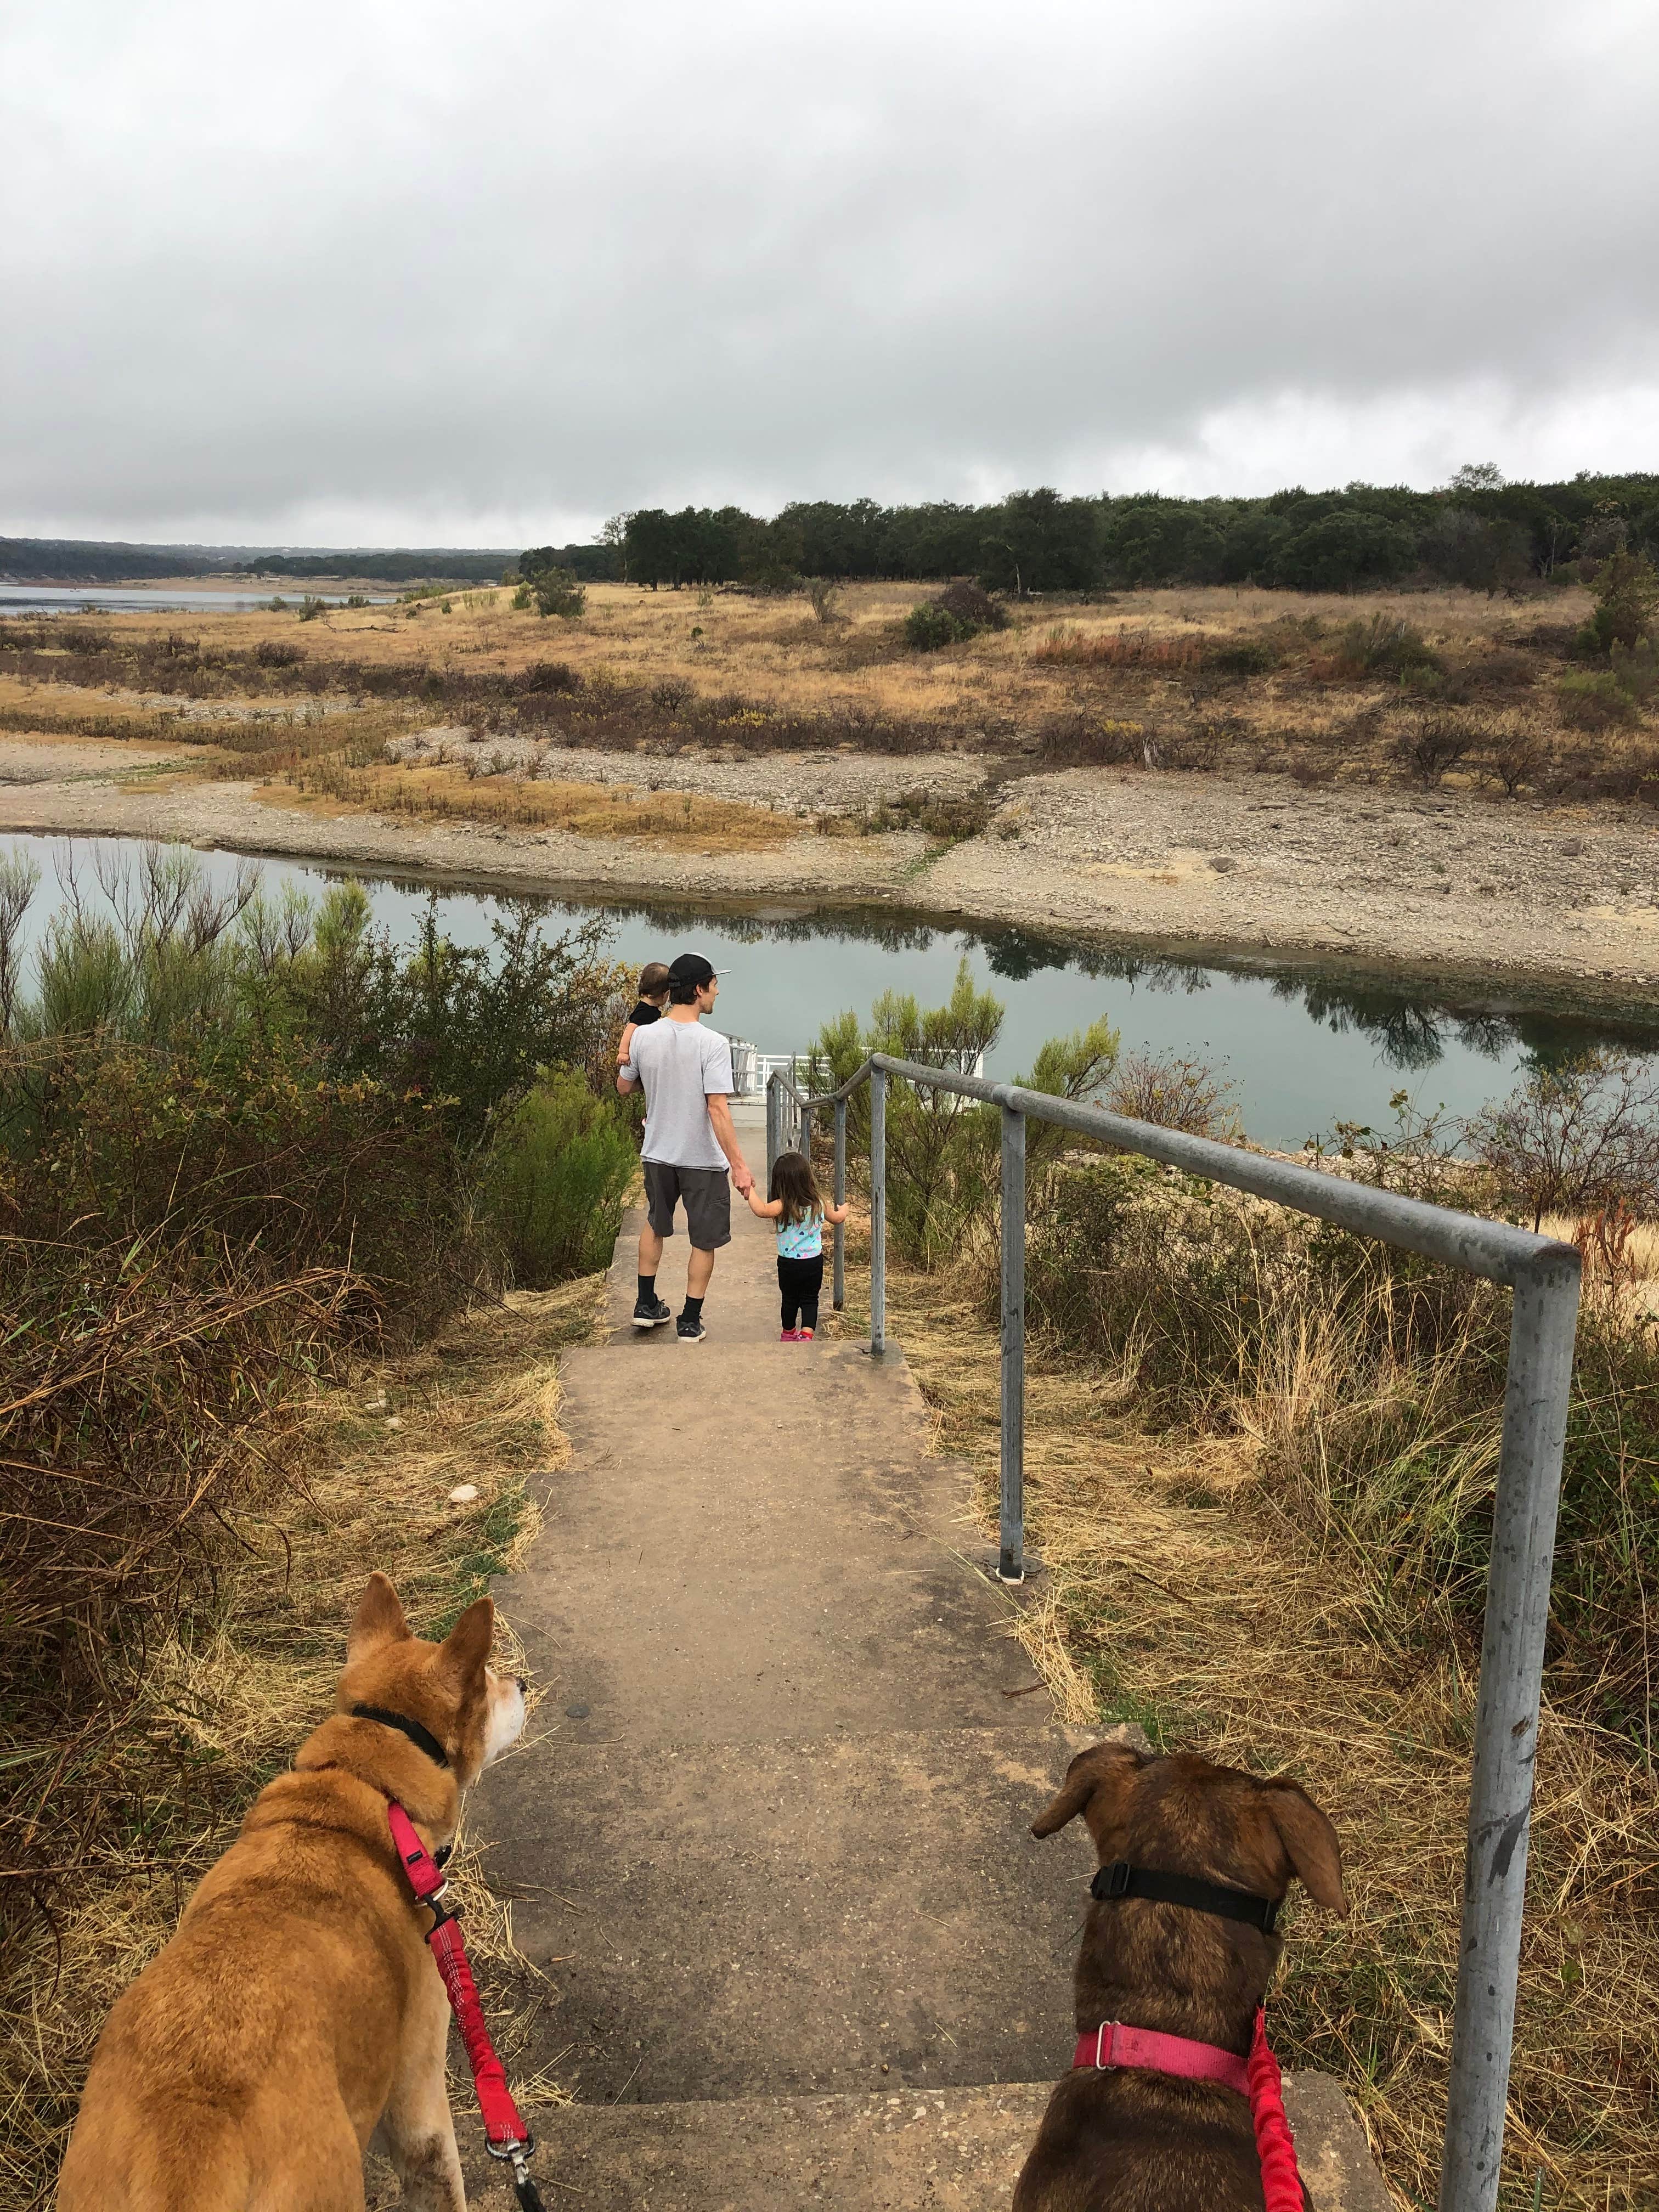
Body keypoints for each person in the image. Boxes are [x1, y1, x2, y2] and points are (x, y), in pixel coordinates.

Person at [617, 951, 754, 1342]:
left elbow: (624, 1086)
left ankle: (646, 1305)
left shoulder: (643, 1036)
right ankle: (690, 1321)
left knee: (655, 1224)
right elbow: (717, 1108)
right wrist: (739, 1166)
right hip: (702, 1159)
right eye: (714, 985)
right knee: (704, 1240)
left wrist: (656, 1079)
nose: (717, 992)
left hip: (658, 1152)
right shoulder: (712, 1044)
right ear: (698, 990)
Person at [744, 1148, 848, 1341]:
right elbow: (837, 1218)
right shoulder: (818, 1202)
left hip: (788, 1264)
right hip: (813, 1262)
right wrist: (844, 1209)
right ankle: (807, 1334)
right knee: (810, 1299)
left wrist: (748, 1190)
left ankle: (788, 1333)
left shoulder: (783, 1204)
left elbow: (761, 1210)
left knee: (789, 1299)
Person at [617, 962, 671, 1073]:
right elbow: (630, 1028)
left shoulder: (648, 1008)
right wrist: (623, 1052)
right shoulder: (645, 1012)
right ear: (665, 994)